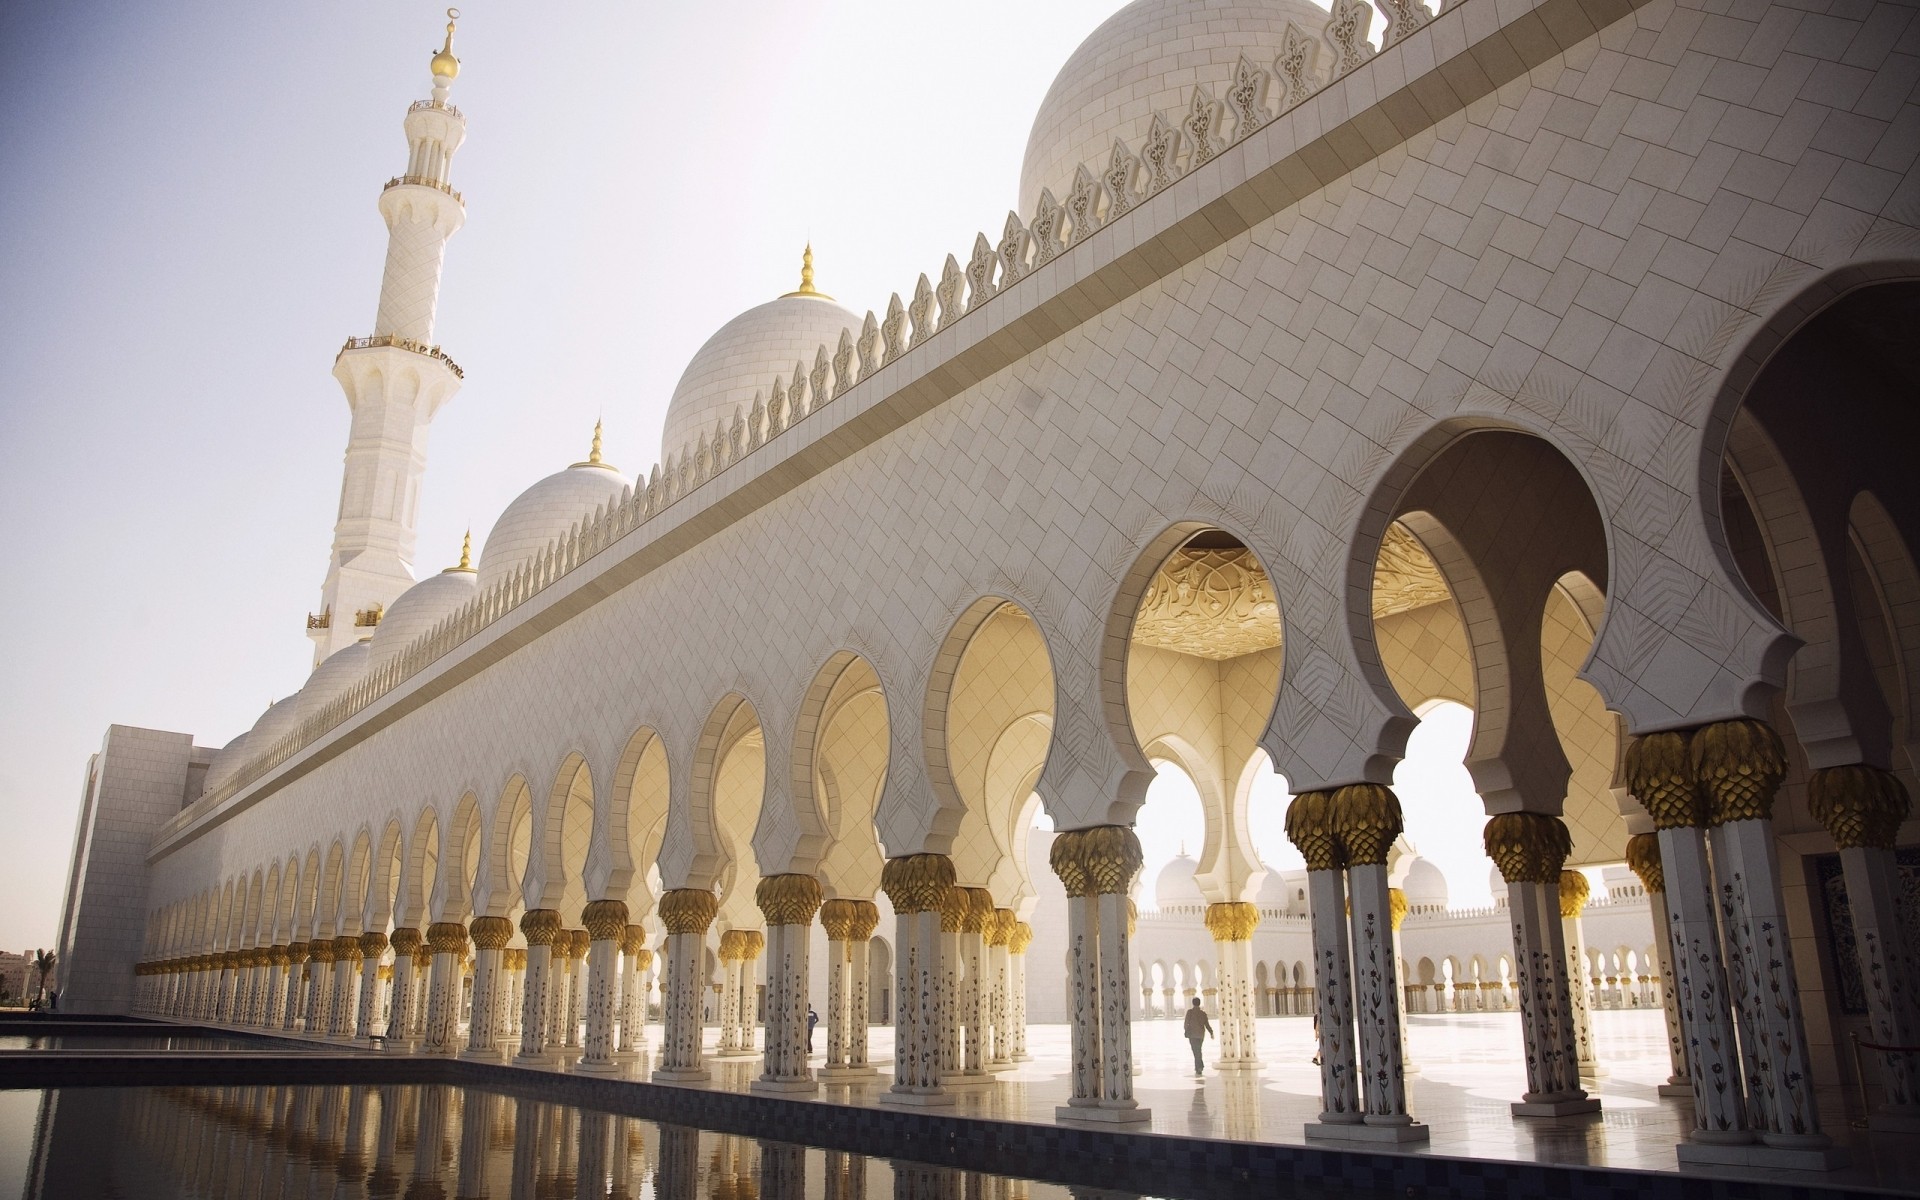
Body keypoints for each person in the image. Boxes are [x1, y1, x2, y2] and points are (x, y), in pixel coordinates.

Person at [1183, 996, 1212, 1074]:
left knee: (1195, 1051)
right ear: (1199, 1004)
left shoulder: (1190, 1012)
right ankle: (1199, 1066)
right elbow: (1207, 1024)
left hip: (1192, 1035)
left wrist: (1186, 1030)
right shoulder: (1203, 1013)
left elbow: (1186, 1023)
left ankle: (1199, 1067)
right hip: (1200, 1035)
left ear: (1193, 1003)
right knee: (1198, 1050)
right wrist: (1211, 1032)